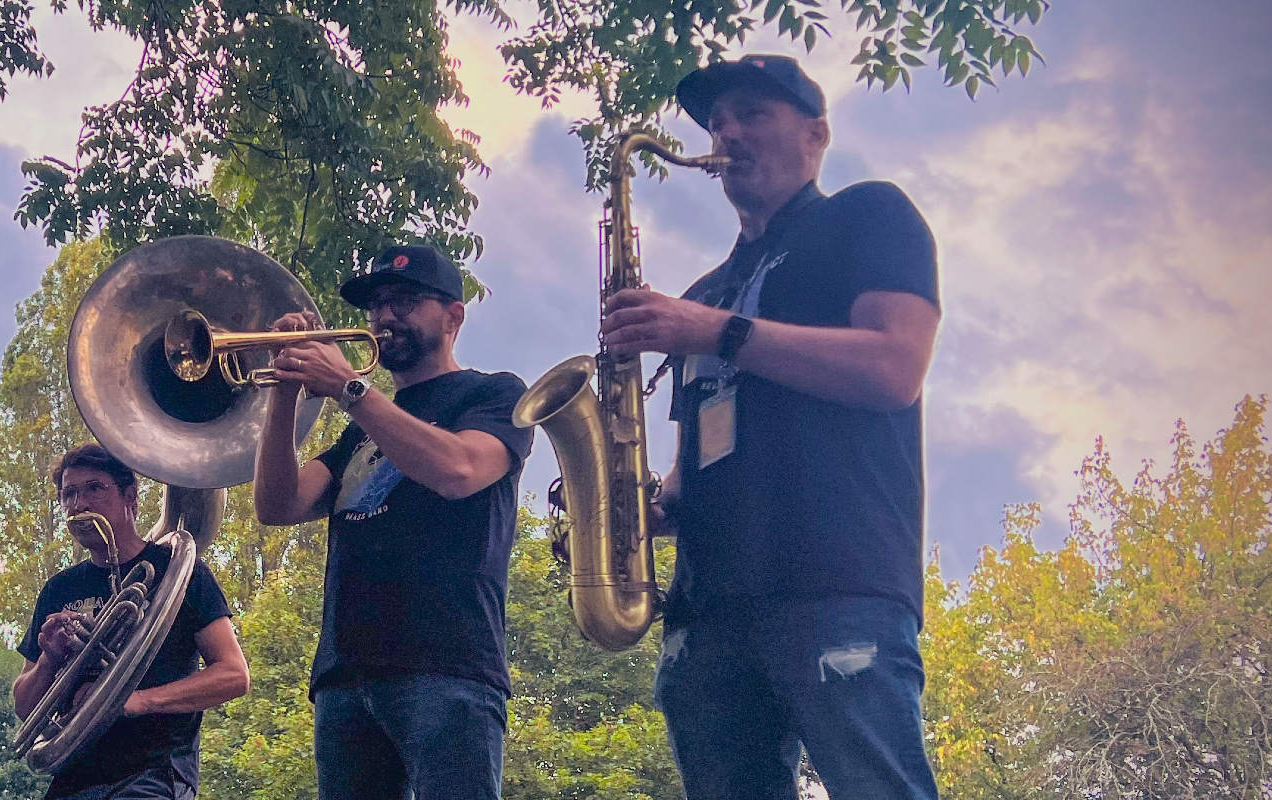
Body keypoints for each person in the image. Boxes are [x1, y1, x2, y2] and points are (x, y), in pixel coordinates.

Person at [600, 54, 942, 799]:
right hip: (708, 613)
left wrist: (716, 331)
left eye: (752, 113)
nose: (725, 132)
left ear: (816, 135)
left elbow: (894, 368)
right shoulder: (705, 293)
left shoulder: (869, 213)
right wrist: (645, 506)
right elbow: (707, 454)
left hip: (835, 583)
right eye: (717, 119)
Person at [251, 245, 535, 800]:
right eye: (376, 306)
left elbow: (459, 470)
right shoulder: (358, 434)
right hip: (345, 674)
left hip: (447, 665)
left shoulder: (494, 392)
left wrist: (350, 390)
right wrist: (283, 393)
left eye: (404, 302)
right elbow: (278, 506)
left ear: (454, 316)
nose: (384, 317)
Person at [14, 443, 249, 800]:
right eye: (69, 494)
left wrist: (134, 700)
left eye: (94, 488)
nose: (79, 505)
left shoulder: (177, 570)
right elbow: (24, 708)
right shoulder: (59, 588)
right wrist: (50, 659)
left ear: (130, 496)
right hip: (74, 777)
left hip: (154, 771)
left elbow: (233, 675)